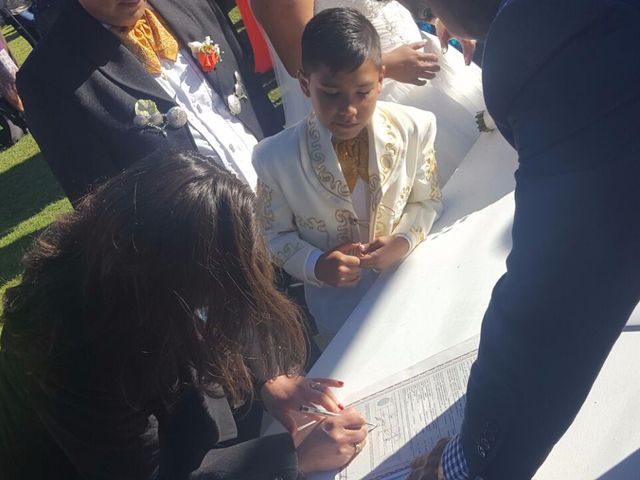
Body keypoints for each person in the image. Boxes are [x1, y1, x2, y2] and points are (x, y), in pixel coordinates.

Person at [0, 149, 368, 480]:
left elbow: (218, 310)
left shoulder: (138, 263)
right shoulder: (70, 349)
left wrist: (267, 378)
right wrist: (293, 458)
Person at [403, 0, 640, 479]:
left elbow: (556, 298)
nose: (432, 17)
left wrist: (464, 463)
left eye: (427, 3)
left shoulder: (552, 47)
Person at [253, 8, 442, 342]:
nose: (348, 109)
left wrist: (404, 240)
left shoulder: (416, 127)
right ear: (304, 83)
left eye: (362, 92)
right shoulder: (274, 159)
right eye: (331, 93)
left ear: (382, 78)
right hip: (340, 315)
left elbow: (427, 199)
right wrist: (315, 265)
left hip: (408, 284)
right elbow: (272, 235)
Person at [16, 0, 281, 203]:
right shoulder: (48, 78)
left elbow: (256, 104)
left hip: (295, 209)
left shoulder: (192, 4)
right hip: (216, 257)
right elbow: (105, 212)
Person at [252, 0, 485, 186]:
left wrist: (441, 15)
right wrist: (386, 67)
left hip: (425, 61)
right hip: (377, 102)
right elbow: (301, 61)